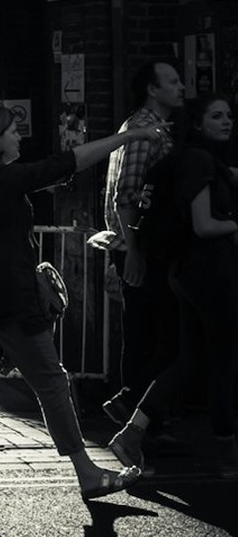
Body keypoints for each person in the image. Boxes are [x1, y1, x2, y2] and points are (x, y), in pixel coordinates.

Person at [0, 103, 160, 499]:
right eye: (11, 131)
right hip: (11, 301)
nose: (19, 136)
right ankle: (87, 472)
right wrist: (129, 137)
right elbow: (67, 161)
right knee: (52, 382)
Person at [109, 93, 238, 478]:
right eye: (217, 116)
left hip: (184, 273)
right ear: (198, 124)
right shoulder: (199, 162)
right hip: (210, 274)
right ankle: (228, 455)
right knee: (224, 362)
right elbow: (203, 225)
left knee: (189, 360)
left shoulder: (185, 159)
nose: (227, 121)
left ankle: (133, 432)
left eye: (229, 115)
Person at [99, 61, 184, 428]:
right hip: (140, 247)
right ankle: (132, 410)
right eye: (173, 81)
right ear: (153, 89)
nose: (182, 86)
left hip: (146, 247)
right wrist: (134, 250)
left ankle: (145, 421)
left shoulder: (155, 129)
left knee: (151, 335)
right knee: (151, 337)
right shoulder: (142, 130)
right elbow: (125, 194)